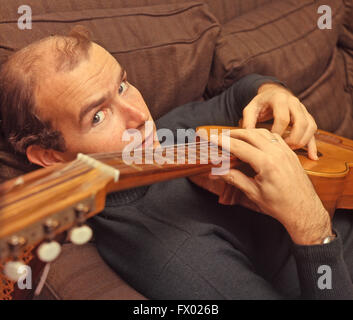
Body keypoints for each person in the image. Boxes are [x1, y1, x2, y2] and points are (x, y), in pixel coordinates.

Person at [0, 28, 352, 299]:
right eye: (98, 116)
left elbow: (235, 97)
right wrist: (312, 230)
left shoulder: (166, 133)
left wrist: (271, 93)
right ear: (50, 156)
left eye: (122, 86)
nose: (140, 115)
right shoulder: (174, 258)